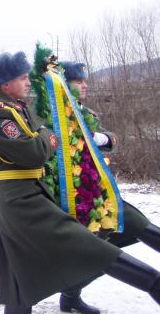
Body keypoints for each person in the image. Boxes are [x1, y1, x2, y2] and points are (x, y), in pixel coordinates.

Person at [0, 52, 159, 313]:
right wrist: (47, 136)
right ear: (5, 84)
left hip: (48, 193)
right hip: (28, 198)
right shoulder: (4, 114)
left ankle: (72, 298)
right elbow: (36, 152)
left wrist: (94, 139)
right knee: (87, 248)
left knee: (24, 269)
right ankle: (153, 283)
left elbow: (55, 143)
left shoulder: (26, 109)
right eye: (21, 77)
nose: (27, 81)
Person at [56, 61, 160, 314]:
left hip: (102, 193)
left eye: (84, 81)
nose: (85, 85)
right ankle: (70, 297)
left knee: (139, 227)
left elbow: (110, 138)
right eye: (78, 82)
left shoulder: (85, 113)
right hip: (78, 198)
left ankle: (70, 297)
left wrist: (102, 139)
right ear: (64, 86)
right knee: (100, 254)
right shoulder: (52, 115)